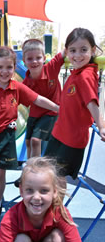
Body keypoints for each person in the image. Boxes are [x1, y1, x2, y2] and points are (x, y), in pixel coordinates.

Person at [0, 46, 60, 219]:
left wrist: (58, 108)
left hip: (7, 137)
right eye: (0, 67)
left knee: (0, 172)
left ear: (14, 67)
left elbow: (38, 99)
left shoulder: (17, 88)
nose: (5, 71)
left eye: (9, 67)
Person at [0, 157, 99, 242]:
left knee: (60, 238)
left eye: (44, 191)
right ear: (21, 191)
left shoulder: (60, 213)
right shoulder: (11, 218)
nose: (36, 197)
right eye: (29, 190)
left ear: (55, 192)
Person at [44, 28, 105, 179]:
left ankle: (57, 203)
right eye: (73, 50)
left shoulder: (85, 75)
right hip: (59, 133)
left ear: (92, 51)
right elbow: (48, 72)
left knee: (58, 176)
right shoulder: (76, 73)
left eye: (83, 50)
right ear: (67, 52)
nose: (77, 56)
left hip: (71, 139)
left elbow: (91, 102)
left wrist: (102, 126)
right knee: (49, 171)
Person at [22, 39, 64, 158]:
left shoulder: (51, 68)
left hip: (51, 112)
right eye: (30, 59)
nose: (34, 61)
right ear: (24, 61)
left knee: (36, 140)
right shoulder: (25, 83)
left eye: (38, 57)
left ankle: (35, 169)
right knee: (28, 142)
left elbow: (64, 52)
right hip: (35, 114)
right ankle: (29, 165)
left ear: (44, 58)